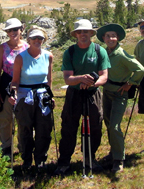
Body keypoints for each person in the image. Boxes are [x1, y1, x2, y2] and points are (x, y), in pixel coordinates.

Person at [54, 19, 110, 175]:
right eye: (79, 32)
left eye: (86, 31)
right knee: (68, 127)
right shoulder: (70, 52)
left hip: (93, 93)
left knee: (95, 127)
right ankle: (64, 161)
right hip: (74, 94)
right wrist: (81, 79)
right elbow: (67, 78)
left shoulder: (100, 51)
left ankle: (90, 158)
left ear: (91, 33)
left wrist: (91, 83)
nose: (82, 34)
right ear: (75, 35)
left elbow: (104, 76)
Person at [97, 23, 144, 173]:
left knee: (114, 126)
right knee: (108, 122)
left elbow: (140, 69)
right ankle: (114, 152)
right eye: (108, 36)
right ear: (104, 38)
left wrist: (130, 83)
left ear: (117, 38)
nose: (111, 38)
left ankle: (118, 159)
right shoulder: (104, 52)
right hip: (107, 92)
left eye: (113, 36)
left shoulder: (121, 54)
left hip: (120, 94)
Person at [8, 26, 54, 172]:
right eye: (34, 38)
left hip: (42, 97)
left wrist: (50, 96)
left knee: (44, 129)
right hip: (25, 97)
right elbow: (15, 81)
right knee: (25, 129)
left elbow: (49, 80)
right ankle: (27, 160)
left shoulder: (48, 56)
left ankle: (40, 160)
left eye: (40, 38)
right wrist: (13, 93)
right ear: (28, 40)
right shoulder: (20, 58)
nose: (37, 41)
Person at [0, 18, 29, 157]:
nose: (13, 32)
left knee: (23, 117)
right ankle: (6, 146)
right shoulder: (2, 48)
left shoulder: (27, 47)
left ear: (21, 29)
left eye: (15, 29)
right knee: (4, 118)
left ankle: (23, 145)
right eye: (9, 30)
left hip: (23, 85)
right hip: (5, 85)